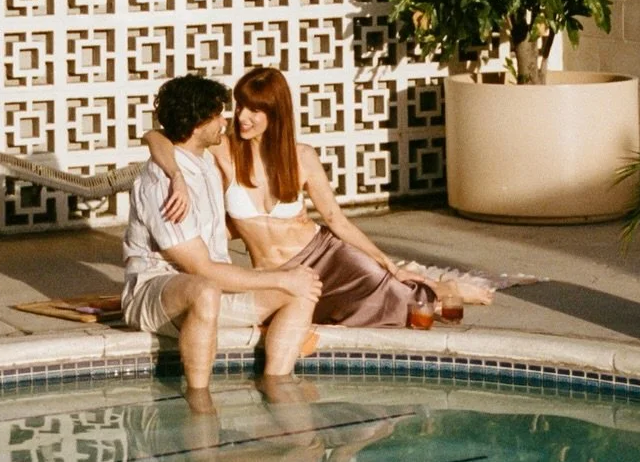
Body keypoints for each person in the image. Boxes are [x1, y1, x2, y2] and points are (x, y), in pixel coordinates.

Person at [144, 66, 440, 328]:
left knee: (409, 304)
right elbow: (155, 136)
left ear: (275, 113)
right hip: (275, 273)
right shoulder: (225, 149)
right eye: (240, 106)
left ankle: (443, 287)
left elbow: (336, 220)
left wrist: (390, 265)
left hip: (327, 256)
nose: (242, 117)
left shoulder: (302, 156)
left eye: (254, 110)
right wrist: (176, 175)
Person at [122, 74, 322, 391]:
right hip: (155, 292)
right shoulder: (162, 184)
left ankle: (276, 383)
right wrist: (279, 275)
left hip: (210, 285)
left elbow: (155, 135)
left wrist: (289, 277)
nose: (225, 120)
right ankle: (199, 398)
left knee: (303, 286)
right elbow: (200, 269)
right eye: (217, 114)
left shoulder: (206, 161)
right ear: (198, 123)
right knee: (205, 289)